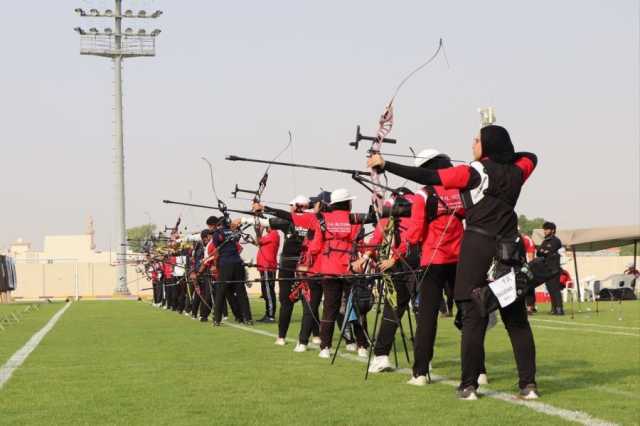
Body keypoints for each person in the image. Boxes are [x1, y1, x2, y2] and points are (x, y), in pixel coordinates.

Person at [368, 124, 539, 400]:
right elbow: (531, 156)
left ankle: (469, 385)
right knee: (516, 319)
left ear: (488, 146)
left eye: (477, 140)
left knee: (472, 316)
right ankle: (528, 385)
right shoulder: (518, 170)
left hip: (477, 247)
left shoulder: (474, 172)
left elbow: (428, 175)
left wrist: (385, 163)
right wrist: (503, 155)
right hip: (509, 247)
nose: (472, 143)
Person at [353, 189, 418, 373]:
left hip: (398, 266)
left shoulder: (389, 211)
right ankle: (423, 361)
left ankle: (381, 356)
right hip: (414, 265)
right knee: (421, 313)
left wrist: (366, 259)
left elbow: (377, 239)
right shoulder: (416, 208)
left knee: (392, 310)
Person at [309, 188, 369, 359]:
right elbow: (360, 242)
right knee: (354, 308)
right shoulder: (355, 219)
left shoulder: (322, 219)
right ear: (348, 203)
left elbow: (314, 248)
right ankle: (362, 346)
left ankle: (325, 348)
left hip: (329, 270)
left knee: (330, 309)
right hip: (350, 269)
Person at [210, 216, 253, 326]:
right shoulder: (235, 232)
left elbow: (216, 246)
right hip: (238, 264)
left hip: (225, 264)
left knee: (221, 292)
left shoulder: (217, 233)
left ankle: (217, 319)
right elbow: (237, 239)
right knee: (241, 291)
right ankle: (247, 318)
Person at [537, 222, 563, 315]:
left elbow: (549, 251)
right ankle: (553, 308)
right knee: (550, 289)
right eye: (544, 229)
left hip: (554, 268)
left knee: (555, 289)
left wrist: (544, 251)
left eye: (547, 229)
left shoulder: (556, 240)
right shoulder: (545, 241)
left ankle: (559, 309)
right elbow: (539, 252)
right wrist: (544, 251)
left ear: (552, 230)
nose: (545, 231)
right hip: (547, 269)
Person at [256, 225, 280, 322]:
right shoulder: (270, 235)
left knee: (268, 292)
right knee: (266, 292)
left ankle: (270, 315)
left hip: (267, 267)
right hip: (264, 267)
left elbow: (258, 241)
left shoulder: (273, 234)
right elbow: (258, 243)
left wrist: (259, 231)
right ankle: (268, 314)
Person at [521, 231, 537, 314]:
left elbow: (531, 255)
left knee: (529, 287)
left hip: (526, 266)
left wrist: (529, 267)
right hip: (519, 266)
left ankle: (530, 307)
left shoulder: (527, 240)